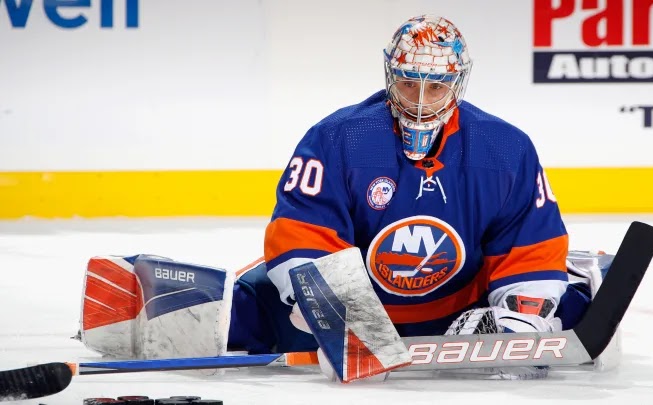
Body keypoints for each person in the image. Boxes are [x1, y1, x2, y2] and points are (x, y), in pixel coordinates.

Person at [78, 14, 616, 380]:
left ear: (458, 84)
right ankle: (150, 292)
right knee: (235, 315)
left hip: (457, 312)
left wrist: (516, 325)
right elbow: (301, 236)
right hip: (353, 311)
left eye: (435, 87)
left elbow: (529, 245)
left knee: (569, 312)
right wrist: (339, 318)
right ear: (390, 76)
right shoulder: (340, 138)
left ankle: (582, 277)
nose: (421, 101)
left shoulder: (505, 148)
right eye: (408, 84)